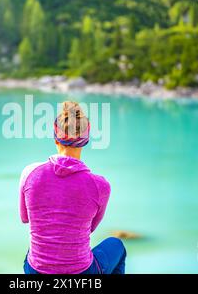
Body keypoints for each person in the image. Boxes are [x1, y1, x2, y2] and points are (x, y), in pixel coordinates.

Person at [19, 101, 126, 274]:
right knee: (117, 245)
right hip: (81, 272)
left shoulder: (29, 173)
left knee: (33, 254)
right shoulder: (101, 186)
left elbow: (25, 218)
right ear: (85, 140)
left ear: (55, 138)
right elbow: (89, 227)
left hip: (36, 271)